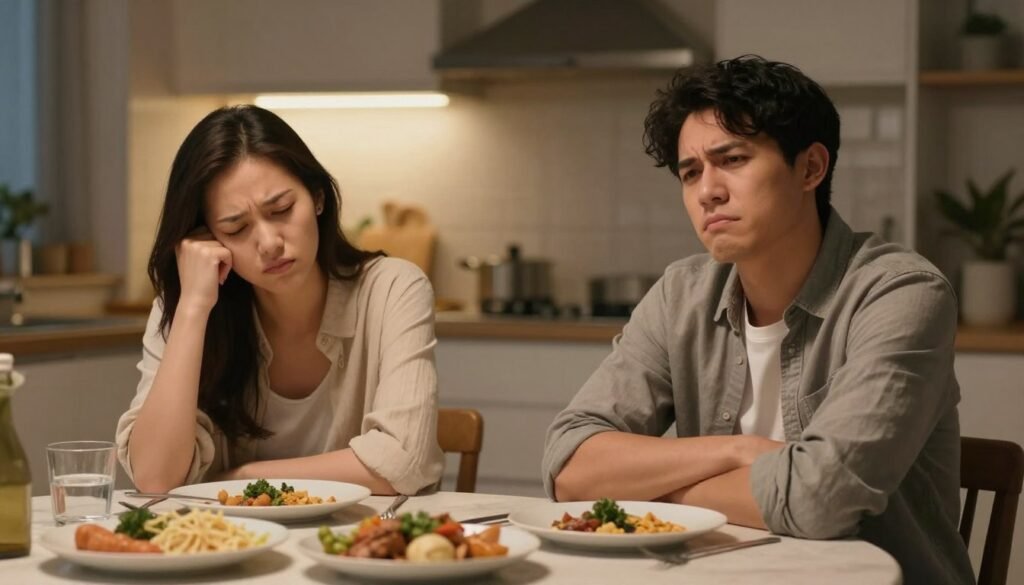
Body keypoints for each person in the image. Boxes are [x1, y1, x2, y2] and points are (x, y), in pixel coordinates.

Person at [542, 56, 974, 584]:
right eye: (691, 172)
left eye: (734, 159)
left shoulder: (900, 293)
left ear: (811, 168)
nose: (708, 191)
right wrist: (736, 451)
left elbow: (822, 497)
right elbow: (569, 465)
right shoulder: (682, 293)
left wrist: (654, 487)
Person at [116, 105, 443, 496]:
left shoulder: (393, 289)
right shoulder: (190, 305)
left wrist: (242, 478)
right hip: (230, 548)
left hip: (361, 548)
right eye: (236, 228)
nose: (269, 243)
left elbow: (401, 463)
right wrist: (191, 310)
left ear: (318, 197)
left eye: (282, 209)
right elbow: (154, 478)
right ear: (207, 238)